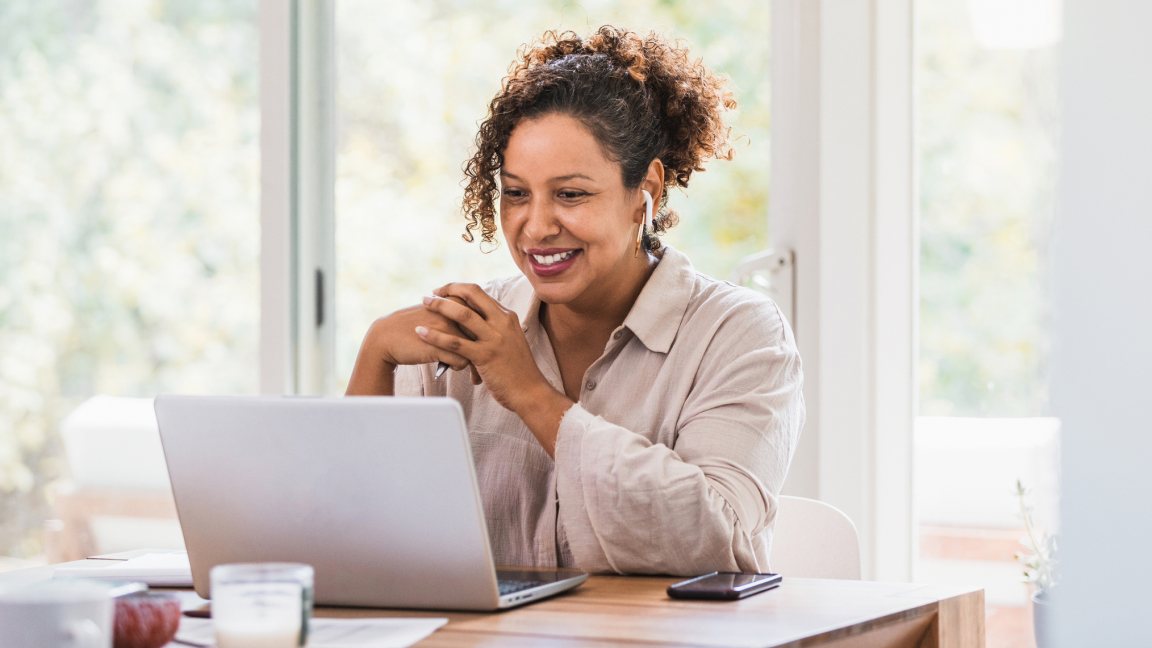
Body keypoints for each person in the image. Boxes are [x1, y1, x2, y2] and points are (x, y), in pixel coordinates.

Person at [347, 26, 804, 576]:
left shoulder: (738, 335)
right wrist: (375, 353)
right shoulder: (458, 332)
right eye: (516, 193)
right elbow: (347, 540)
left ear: (646, 194)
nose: (536, 226)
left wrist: (530, 394)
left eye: (571, 194)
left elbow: (715, 537)